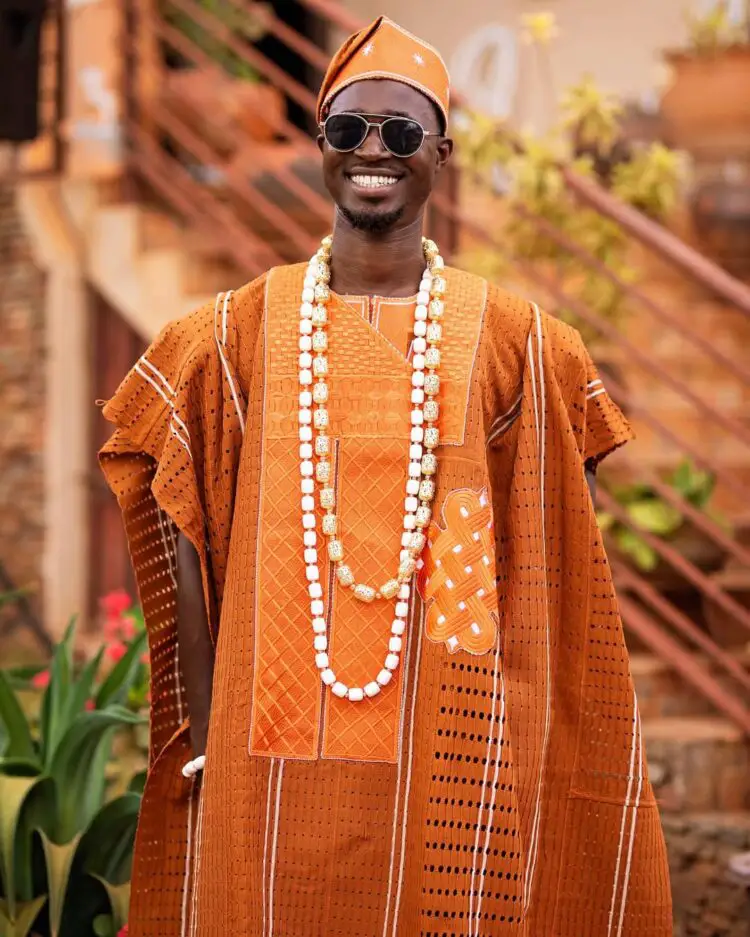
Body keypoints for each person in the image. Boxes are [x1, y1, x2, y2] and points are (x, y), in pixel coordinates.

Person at [100, 15, 672, 937]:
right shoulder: (231, 335)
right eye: (348, 129)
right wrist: (208, 735)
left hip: (447, 757)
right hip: (267, 776)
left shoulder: (521, 346)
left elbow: (551, 559)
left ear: (442, 151)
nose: (374, 150)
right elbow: (172, 502)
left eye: (402, 132)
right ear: (320, 145)